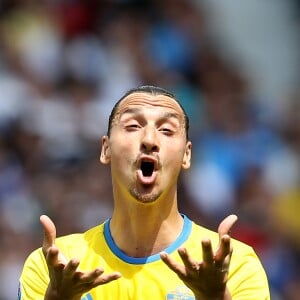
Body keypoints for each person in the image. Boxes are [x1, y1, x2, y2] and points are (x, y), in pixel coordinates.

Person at [19, 85, 270, 300]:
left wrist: (215, 298)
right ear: (106, 149)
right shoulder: (55, 265)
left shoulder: (232, 265)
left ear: (186, 154)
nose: (150, 139)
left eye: (166, 130)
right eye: (133, 126)